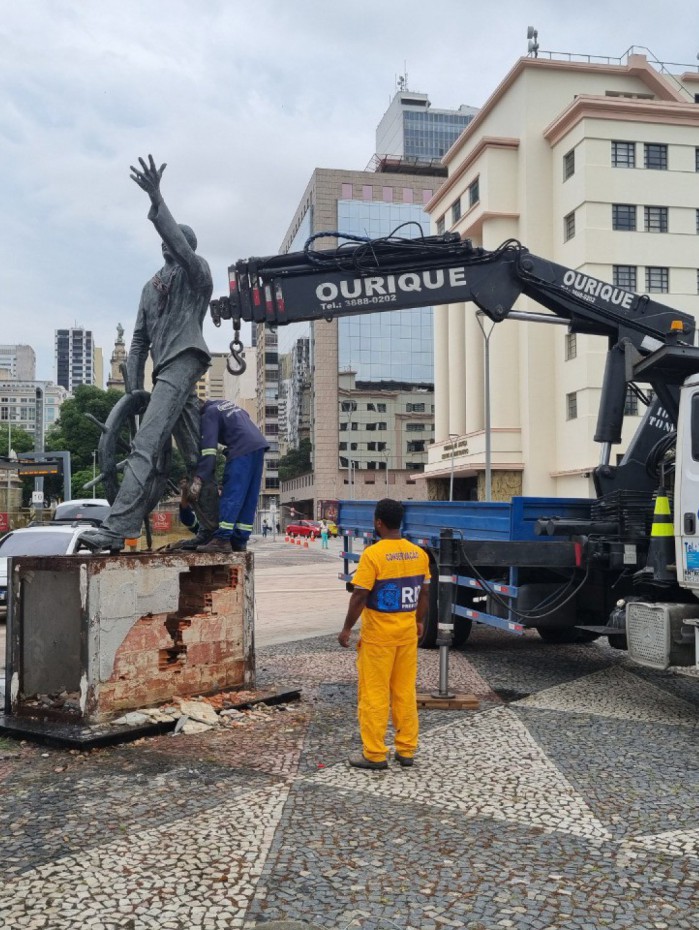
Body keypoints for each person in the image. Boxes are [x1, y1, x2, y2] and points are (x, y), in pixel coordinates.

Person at [80, 155, 212, 552]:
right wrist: (134, 394)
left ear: (184, 246)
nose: (167, 242)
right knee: (196, 455)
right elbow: (138, 343)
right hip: (165, 371)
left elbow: (181, 247)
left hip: (185, 358)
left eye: (174, 238)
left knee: (146, 443)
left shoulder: (197, 274)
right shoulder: (149, 288)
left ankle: (118, 528)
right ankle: (213, 528)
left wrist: (157, 200)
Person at [338, 498, 430, 771]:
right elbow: (425, 592)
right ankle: (406, 749)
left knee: (374, 694)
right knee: (404, 692)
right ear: (400, 522)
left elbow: (360, 595)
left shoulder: (373, 554)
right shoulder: (419, 553)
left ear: (378, 522)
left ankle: (375, 754)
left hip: (379, 638)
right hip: (407, 634)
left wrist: (347, 628)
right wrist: (419, 620)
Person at [191, 400, 269, 552]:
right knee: (249, 496)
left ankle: (222, 539)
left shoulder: (208, 413)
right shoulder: (225, 405)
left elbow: (209, 450)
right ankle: (240, 540)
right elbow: (244, 417)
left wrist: (200, 477)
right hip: (258, 446)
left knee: (232, 494)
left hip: (241, 449)